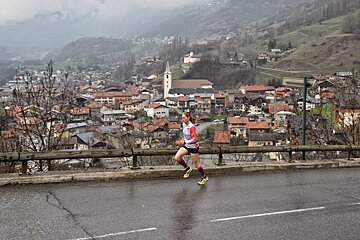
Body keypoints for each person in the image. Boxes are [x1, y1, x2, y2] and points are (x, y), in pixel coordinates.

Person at [175, 112, 208, 185]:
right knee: (177, 158)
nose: (182, 119)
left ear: (188, 117)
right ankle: (187, 168)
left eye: (184, 118)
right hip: (187, 146)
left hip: (193, 147)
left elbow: (194, 139)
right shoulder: (184, 125)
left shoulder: (191, 127)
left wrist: (184, 142)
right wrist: (182, 140)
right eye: (182, 118)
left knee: (196, 164)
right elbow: (185, 136)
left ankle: (204, 177)